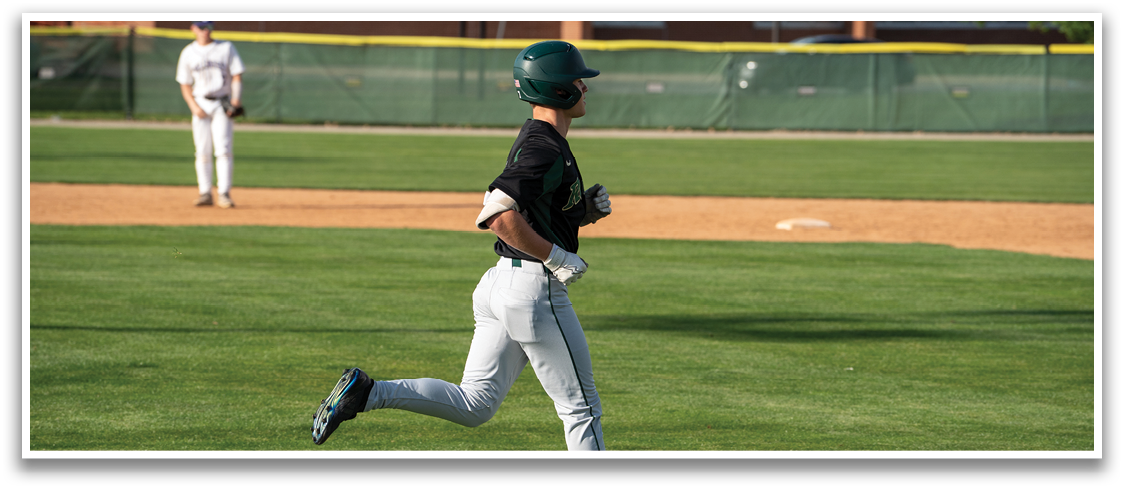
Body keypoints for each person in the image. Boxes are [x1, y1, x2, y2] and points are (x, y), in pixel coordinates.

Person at [311, 40, 614, 451]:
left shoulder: (539, 137)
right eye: (578, 81)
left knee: (476, 404)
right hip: (533, 291)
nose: (585, 88)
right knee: (582, 409)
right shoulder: (545, 148)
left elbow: (535, 212)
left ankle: (366, 392)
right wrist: (555, 256)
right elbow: (496, 214)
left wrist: (582, 213)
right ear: (558, 89)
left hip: (499, 286)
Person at [175, 21, 244, 208]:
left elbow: (237, 74)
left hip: (222, 102)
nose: (205, 31)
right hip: (200, 102)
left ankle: (224, 193)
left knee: (223, 149)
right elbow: (185, 83)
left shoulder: (225, 47)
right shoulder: (188, 52)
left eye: (208, 27)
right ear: (193, 29)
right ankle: (205, 193)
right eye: (201, 27)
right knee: (202, 151)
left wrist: (236, 100)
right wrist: (193, 106)